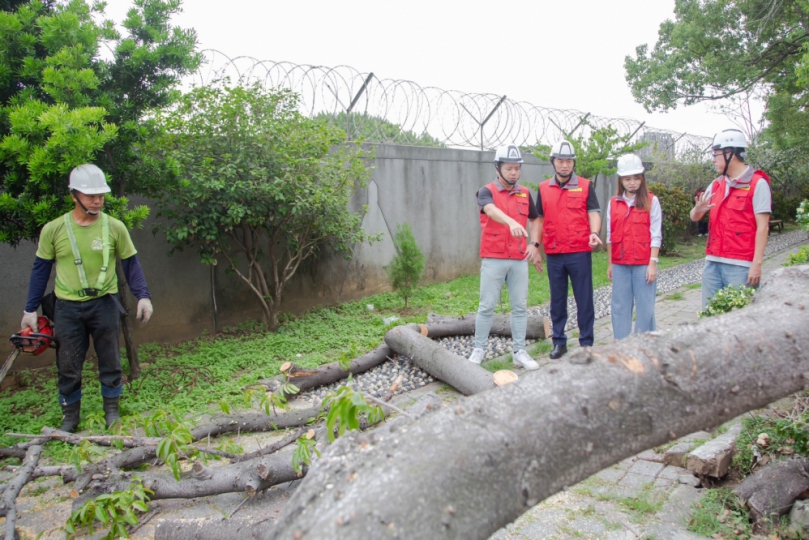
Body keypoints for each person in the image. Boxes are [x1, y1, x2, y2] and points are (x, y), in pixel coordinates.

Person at [20, 164, 154, 432]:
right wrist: (30, 309)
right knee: (68, 365)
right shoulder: (53, 229)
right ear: (74, 195)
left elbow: (131, 264)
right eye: (91, 195)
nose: (97, 200)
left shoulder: (114, 227)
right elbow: (40, 270)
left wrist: (144, 296)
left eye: (101, 195)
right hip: (67, 307)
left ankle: (112, 414)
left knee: (110, 360)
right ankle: (70, 418)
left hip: (105, 304)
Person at [467, 144, 542, 370]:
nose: (513, 172)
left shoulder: (525, 193)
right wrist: (510, 222)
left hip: (519, 258)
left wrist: (535, 245)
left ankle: (519, 352)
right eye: (509, 168)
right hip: (494, 257)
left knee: (519, 306)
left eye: (517, 168)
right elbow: (489, 210)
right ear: (498, 168)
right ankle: (479, 349)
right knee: (487, 305)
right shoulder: (486, 191)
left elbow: (536, 219)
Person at [690, 129, 771, 309]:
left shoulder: (758, 184)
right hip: (712, 263)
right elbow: (695, 217)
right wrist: (697, 209)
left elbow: (763, 227)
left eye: (716, 154)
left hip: (741, 267)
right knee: (710, 318)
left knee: (739, 321)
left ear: (730, 154)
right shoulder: (717, 184)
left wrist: (756, 265)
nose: (713, 159)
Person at [536, 140, 602, 359]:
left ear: (573, 163)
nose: (565, 165)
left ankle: (586, 343)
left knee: (584, 298)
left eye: (569, 161)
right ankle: (559, 341)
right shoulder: (544, 188)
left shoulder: (585, 185)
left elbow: (593, 212)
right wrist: (536, 246)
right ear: (553, 162)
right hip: (554, 253)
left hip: (579, 251)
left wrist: (594, 232)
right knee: (557, 300)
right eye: (560, 160)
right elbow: (539, 219)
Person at [606, 154, 662, 340]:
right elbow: (610, 236)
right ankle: (622, 345)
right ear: (621, 180)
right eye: (627, 179)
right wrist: (610, 264)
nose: (632, 183)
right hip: (620, 263)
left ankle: (645, 344)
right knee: (620, 305)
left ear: (642, 179)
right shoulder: (613, 203)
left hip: (643, 263)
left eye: (636, 178)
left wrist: (652, 263)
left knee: (645, 306)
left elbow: (656, 234)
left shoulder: (651, 201)